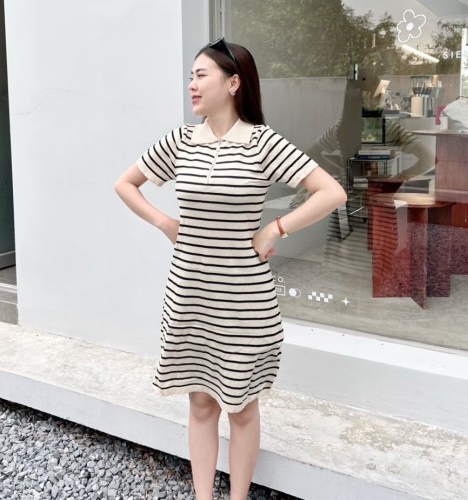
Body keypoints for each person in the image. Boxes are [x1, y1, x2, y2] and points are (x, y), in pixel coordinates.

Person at [115, 38, 347, 500]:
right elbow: (125, 184)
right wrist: (165, 223)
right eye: (191, 76)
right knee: (201, 402)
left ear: (234, 82)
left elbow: (331, 192)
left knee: (241, 407)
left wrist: (275, 228)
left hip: (244, 300)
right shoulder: (181, 141)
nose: (192, 84)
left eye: (201, 75)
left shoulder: (262, 143)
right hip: (189, 294)